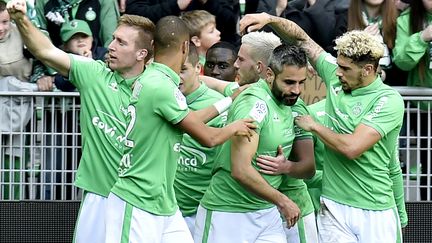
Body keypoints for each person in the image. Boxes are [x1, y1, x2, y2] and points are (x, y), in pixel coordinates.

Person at [240, 12, 405, 242]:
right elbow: (302, 41)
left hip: (375, 208)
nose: (337, 73)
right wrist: (271, 20)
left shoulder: (389, 100)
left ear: (367, 70)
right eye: (338, 66)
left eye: (345, 69)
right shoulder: (337, 78)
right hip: (334, 208)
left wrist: (315, 126)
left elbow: (352, 147)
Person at [7, 1, 155, 242]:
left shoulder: (159, 85)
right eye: (113, 39)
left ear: (142, 54)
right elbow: (45, 51)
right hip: (98, 199)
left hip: (142, 202)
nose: (110, 46)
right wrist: (22, 19)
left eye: (121, 42)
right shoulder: (94, 73)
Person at [105, 15, 255, 243]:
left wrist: (228, 100)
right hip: (136, 199)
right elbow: (210, 138)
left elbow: (189, 120)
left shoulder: (156, 79)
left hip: (163, 201)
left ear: (153, 46)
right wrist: (236, 126)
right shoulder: (161, 86)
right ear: (186, 47)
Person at [195, 43, 308, 243]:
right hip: (229, 212)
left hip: (266, 212)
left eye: (301, 83)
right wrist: (282, 200)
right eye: (289, 82)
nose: (296, 90)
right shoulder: (255, 104)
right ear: (270, 75)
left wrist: (286, 167)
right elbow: (240, 169)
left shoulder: (287, 103)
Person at [174, 42, 229, 236]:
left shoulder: (219, 105)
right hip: (166, 211)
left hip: (203, 212)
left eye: (182, 70)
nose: (176, 77)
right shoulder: (160, 98)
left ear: (198, 68)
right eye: (171, 70)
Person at [393, 0, 432, 201]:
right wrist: (423, 37)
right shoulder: (408, 19)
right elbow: (401, 60)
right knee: (429, 167)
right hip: (424, 108)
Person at [0, 0, 37, 200]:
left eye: (5, 22)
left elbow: (42, 51)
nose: (1, 28)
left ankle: (10, 209)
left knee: (15, 161)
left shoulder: (22, 33)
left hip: (19, 109)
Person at [35, 0, 119, 48]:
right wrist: (51, 71)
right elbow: (38, 35)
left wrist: (103, 67)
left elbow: (111, 39)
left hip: (96, 60)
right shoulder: (44, 2)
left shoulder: (105, 1)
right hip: (57, 65)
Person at [55, 19, 107, 91]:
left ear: (92, 38)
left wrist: (91, 63)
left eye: (84, 36)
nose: (80, 40)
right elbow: (61, 83)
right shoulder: (62, 59)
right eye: (74, 38)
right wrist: (79, 66)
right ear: (65, 46)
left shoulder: (104, 54)